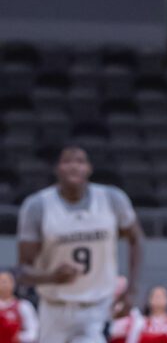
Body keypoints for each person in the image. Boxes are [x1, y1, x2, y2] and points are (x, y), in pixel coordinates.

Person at [16, 145, 143, 343]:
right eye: (67, 161)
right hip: (54, 308)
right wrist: (52, 276)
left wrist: (132, 290)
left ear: (89, 168)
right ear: (57, 169)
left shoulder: (112, 199)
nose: (74, 166)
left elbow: (136, 239)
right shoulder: (37, 206)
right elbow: (23, 271)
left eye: (80, 161)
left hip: (96, 307)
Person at [0, 270, 38, 343]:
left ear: (13, 284)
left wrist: (20, 337)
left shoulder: (23, 306)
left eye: (5, 281)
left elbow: (33, 331)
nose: (2, 284)